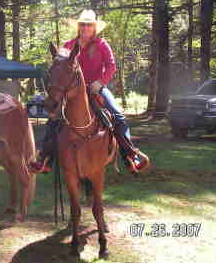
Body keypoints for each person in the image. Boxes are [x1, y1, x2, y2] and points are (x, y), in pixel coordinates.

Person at [31, 9, 149, 174]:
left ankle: (130, 155)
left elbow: (111, 66)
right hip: (72, 92)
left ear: (94, 28)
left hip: (96, 89)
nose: (85, 28)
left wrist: (101, 82)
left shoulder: (101, 44)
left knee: (117, 115)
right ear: (79, 27)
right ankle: (45, 157)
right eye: (83, 25)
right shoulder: (68, 45)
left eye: (89, 25)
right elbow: (59, 67)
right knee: (54, 119)